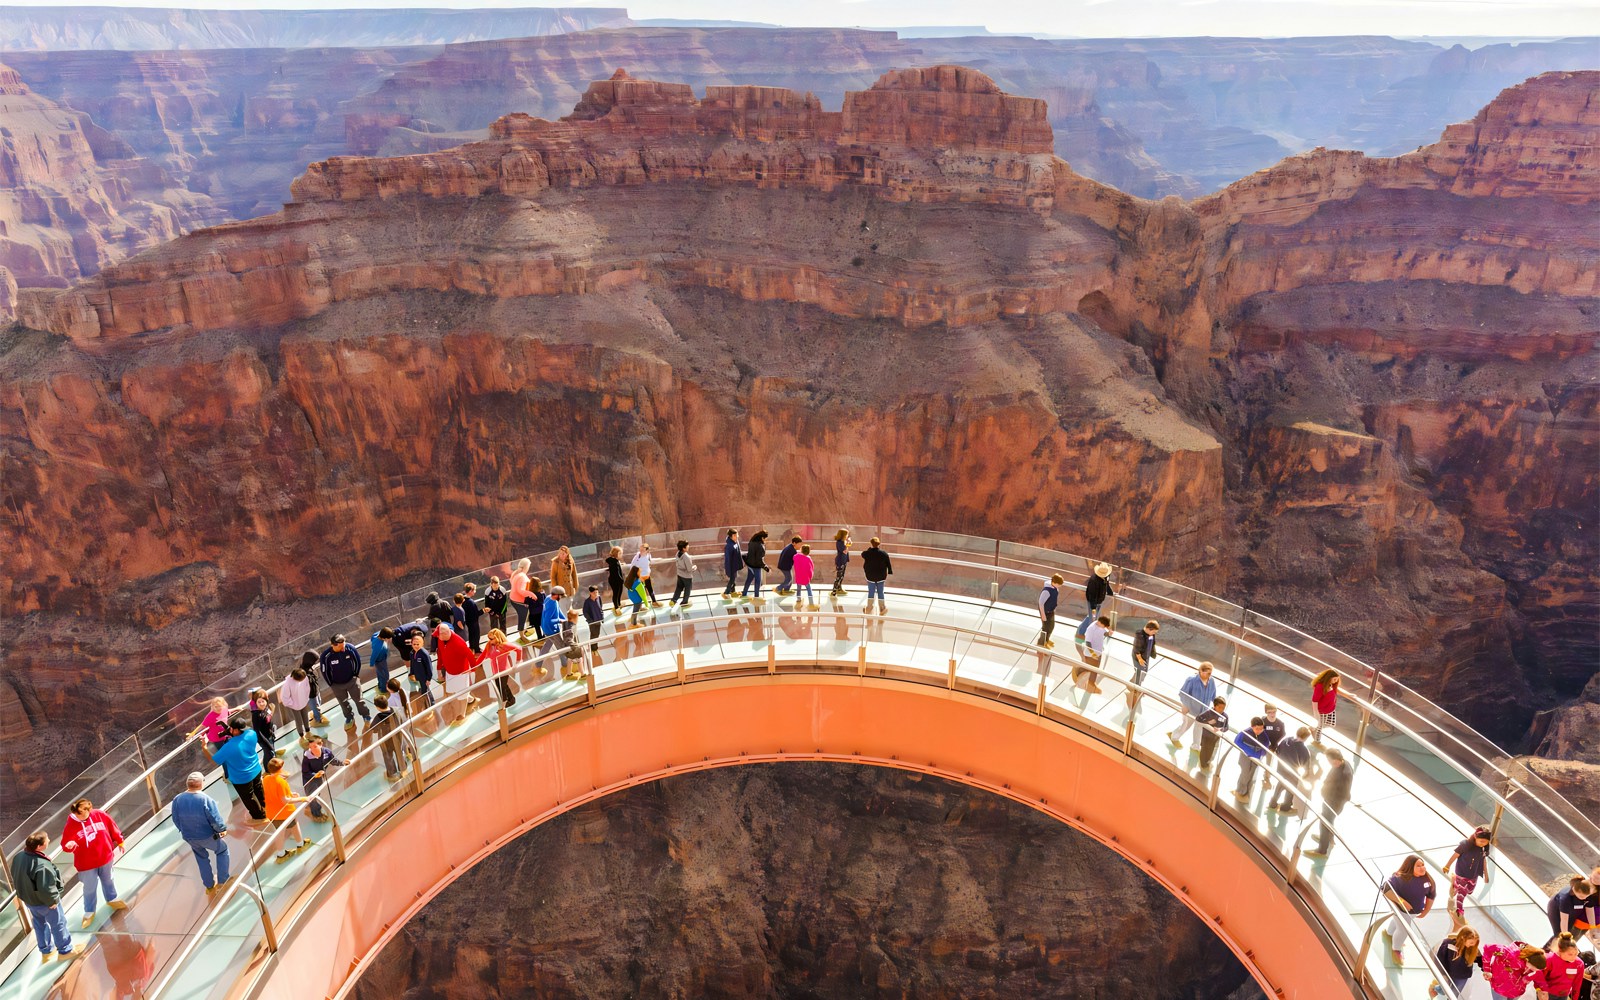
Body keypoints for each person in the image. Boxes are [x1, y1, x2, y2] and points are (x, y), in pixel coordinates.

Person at [12, 832, 80, 961]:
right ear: (39, 846)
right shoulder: (41, 865)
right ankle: (65, 951)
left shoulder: (19, 856)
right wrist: (52, 901)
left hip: (30, 901)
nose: (49, 840)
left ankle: (46, 951)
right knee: (58, 924)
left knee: (39, 924)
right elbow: (46, 887)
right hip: (46, 903)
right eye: (46, 839)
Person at [61, 798, 126, 927]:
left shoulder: (100, 815)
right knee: (89, 887)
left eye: (81, 813)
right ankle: (89, 911)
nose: (79, 816)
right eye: (77, 814)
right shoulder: (71, 824)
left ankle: (112, 899)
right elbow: (65, 844)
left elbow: (112, 827)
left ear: (88, 810)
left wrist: (120, 840)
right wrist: (69, 845)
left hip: (105, 858)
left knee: (108, 879)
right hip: (86, 865)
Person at [170, 773, 231, 895]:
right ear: (202, 783)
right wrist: (222, 830)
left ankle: (209, 886)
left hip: (189, 837)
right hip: (207, 836)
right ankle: (223, 881)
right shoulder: (205, 799)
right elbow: (215, 819)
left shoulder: (177, 799)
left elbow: (175, 819)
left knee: (201, 858)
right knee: (222, 850)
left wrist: (184, 830)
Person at [1382, 854, 1437, 965]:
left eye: (1423, 865)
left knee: (1398, 923)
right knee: (1403, 931)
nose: (1422, 868)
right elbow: (1385, 888)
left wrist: (1426, 910)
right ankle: (1396, 949)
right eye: (1418, 866)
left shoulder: (1428, 880)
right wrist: (1401, 901)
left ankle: (1388, 933)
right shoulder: (1399, 878)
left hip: (1413, 912)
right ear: (1410, 866)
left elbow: (1431, 895)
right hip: (1401, 910)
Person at [212, 714, 267, 821]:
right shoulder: (251, 733)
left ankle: (259, 817)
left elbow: (215, 759)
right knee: (258, 788)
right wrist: (232, 734)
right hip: (256, 769)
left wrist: (204, 747)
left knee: (249, 798)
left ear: (235, 730)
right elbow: (241, 741)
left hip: (242, 778)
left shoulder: (229, 746)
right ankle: (264, 807)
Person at [1441, 827, 1493, 927]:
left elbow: (1483, 862)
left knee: (1469, 891)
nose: (1483, 843)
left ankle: (1454, 884)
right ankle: (1460, 911)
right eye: (1481, 841)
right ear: (1475, 837)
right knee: (1462, 893)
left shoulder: (1482, 849)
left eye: (1485, 842)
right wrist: (1447, 865)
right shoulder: (1465, 845)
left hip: (1473, 875)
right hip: (1462, 872)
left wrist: (1486, 875)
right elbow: (1455, 855)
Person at [262, 758, 312, 862]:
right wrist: (303, 799)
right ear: (280, 769)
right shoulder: (281, 781)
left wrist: (290, 794)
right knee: (294, 826)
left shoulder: (266, 779)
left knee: (280, 832)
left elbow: (273, 794)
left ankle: (281, 854)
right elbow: (285, 800)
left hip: (272, 813)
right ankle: (300, 845)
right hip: (285, 812)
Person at [1305, 747, 1350, 858]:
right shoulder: (1344, 764)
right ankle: (1329, 839)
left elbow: (1340, 792)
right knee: (1329, 822)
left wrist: (1326, 795)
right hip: (1333, 801)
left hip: (1333, 803)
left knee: (1324, 823)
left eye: (1329, 761)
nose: (1328, 763)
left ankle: (1321, 850)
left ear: (1335, 760)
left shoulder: (1343, 774)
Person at [319, 634, 369, 728]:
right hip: (337, 685)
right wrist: (331, 683)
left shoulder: (350, 648)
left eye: (344, 645)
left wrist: (355, 675)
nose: (343, 648)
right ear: (333, 645)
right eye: (341, 647)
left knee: (359, 700)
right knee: (343, 702)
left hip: (352, 681)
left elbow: (357, 661)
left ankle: (366, 715)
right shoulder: (326, 656)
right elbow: (324, 671)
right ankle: (349, 717)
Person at [1168, 662, 1218, 749]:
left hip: (1203, 711)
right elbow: (1183, 694)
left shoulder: (1212, 681)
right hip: (1191, 709)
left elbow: (1213, 695)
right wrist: (1186, 705)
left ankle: (1195, 746)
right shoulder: (1191, 680)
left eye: (1210, 673)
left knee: (1198, 727)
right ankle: (1174, 736)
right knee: (1186, 725)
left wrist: (1215, 709)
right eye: (1207, 673)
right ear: (1201, 671)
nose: (1209, 675)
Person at [434, 622, 475, 724]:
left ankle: (462, 713)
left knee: (462, 694)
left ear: (444, 634)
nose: (438, 637)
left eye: (438, 635)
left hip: (462, 672)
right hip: (450, 671)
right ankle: (471, 699)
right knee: (453, 691)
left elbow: (470, 655)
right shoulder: (441, 640)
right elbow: (440, 654)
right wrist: (439, 669)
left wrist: (473, 669)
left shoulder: (459, 642)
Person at [1268, 726, 1314, 813]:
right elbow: (1306, 768)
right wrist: (1303, 777)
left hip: (1281, 769)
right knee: (1290, 790)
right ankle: (1285, 807)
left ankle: (1272, 804)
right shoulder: (1304, 750)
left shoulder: (1287, 740)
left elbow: (1278, 751)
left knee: (1280, 785)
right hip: (1293, 774)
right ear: (1306, 738)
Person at [363, 694, 406, 782]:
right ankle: (403, 769)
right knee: (400, 752)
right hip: (398, 737)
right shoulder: (395, 709)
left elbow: (374, 729)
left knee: (387, 756)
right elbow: (401, 719)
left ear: (377, 707)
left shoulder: (378, 717)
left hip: (385, 740)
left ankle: (392, 773)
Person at [300, 734, 343, 822]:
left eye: (315, 746)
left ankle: (310, 807)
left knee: (317, 794)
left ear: (321, 744)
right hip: (310, 780)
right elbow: (305, 772)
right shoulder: (307, 757)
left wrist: (343, 763)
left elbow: (333, 761)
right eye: (310, 747)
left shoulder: (327, 752)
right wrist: (314, 775)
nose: (312, 749)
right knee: (313, 797)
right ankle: (316, 814)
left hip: (319, 778)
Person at [1482, 942, 1547, 999]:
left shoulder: (1533, 964)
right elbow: (1488, 948)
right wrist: (1487, 970)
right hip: (1499, 989)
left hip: (1515, 993)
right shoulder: (1510, 954)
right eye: (1534, 968)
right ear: (1527, 960)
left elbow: (1537, 975)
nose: (1535, 970)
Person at [474, 629, 521, 707]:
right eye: (489, 638)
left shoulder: (503, 645)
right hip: (496, 671)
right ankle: (511, 699)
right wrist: (474, 666)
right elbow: (482, 656)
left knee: (500, 687)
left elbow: (519, 649)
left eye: (492, 638)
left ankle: (503, 704)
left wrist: (518, 662)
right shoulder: (489, 645)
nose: (490, 640)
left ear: (497, 637)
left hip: (504, 670)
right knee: (503, 685)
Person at [1433, 926, 1483, 997]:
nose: (1473, 944)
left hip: (1462, 976)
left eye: (1475, 943)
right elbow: (1440, 957)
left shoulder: (1473, 948)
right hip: (1448, 973)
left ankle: (1438, 988)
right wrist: (1442, 973)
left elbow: (1481, 960)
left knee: (1453, 995)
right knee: (1443, 990)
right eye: (1471, 942)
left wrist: (1487, 970)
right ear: (1463, 938)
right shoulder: (1448, 943)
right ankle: (1435, 988)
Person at [1549, 878, 1599, 944]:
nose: (1584, 898)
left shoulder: (1587, 895)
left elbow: (1589, 909)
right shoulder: (1566, 899)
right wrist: (1565, 937)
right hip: (1557, 910)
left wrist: (1593, 927)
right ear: (1575, 891)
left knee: (1569, 930)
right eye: (1581, 896)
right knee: (1558, 934)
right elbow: (1564, 921)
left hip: (1573, 912)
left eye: (1587, 896)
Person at [1232, 717, 1269, 802]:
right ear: (1252, 727)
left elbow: (1266, 746)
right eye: (1257, 729)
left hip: (1256, 758)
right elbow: (1237, 741)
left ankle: (1246, 791)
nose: (1259, 731)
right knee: (1245, 773)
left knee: (1251, 774)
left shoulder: (1264, 735)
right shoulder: (1245, 733)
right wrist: (1249, 751)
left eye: (1261, 728)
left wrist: (1261, 753)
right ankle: (1241, 791)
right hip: (1246, 756)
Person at [1075, 562, 1115, 642]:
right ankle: (1084, 635)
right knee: (1092, 619)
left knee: (1092, 618)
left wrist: (1110, 593)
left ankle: (1080, 631)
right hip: (1093, 602)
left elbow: (1107, 584)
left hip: (1099, 601)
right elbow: (1091, 595)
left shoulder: (1106, 576)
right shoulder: (1094, 581)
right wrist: (1093, 608)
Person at [1545, 934, 1587, 1000]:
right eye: (1570, 954)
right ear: (1560, 951)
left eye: (1576, 954)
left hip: (1564, 995)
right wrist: (1541, 990)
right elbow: (1540, 977)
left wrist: (1575, 998)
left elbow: (1577, 984)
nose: (1574, 957)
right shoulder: (1550, 959)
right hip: (1547, 993)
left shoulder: (1579, 964)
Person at [1076, 615, 1110, 693]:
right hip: (1091, 655)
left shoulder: (1101, 626)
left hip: (1098, 652)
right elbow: (1088, 642)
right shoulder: (1091, 629)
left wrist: (1109, 633)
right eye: (1103, 626)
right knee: (1089, 671)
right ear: (1099, 623)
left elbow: (1104, 633)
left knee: (1094, 670)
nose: (1104, 627)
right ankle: (1088, 685)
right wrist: (1093, 654)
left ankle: (1091, 685)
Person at [280, 668, 313, 744]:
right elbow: (285, 697)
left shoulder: (304, 678)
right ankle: (301, 736)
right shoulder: (288, 683)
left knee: (305, 716)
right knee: (298, 720)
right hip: (295, 705)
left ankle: (308, 731)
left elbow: (307, 688)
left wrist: (305, 698)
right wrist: (292, 704)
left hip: (303, 701)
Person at [1195, 697, 1228, 771]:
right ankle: (1203, 765)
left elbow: (1226, 727)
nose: (1221, 710)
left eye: (1223, 708)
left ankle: (1206, 762)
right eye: (1220, 707)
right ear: (1215, 706)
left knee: (1210, 751)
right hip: (1206, 736)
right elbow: (1198, 718)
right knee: (1204, 750)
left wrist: (1220, 729)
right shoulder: (1208, 712)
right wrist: (1208, 722)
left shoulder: (1225, 716)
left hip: (1215, 738)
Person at [861, 536, 893, 614]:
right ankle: (882, 608)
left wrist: (869, 549)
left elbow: (863, 554)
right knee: (880, 591)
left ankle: (869, 607)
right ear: (879, 544)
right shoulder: (884, 553)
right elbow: (888, 564)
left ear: (871, 543)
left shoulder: (867, 553)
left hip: (870, 575)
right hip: (881, 576)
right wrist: (890, 571)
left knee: (871, 591)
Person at [297, 650, 329, 727]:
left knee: (318, 704)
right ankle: (318, 721)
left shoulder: (310, 668)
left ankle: (318, 717)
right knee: (316, 708)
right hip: (311, 695)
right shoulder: (303, 672)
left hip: (315, 691)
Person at [248, 688, 277, 769]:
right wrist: (267, 743)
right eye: (259, 702)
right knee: (269, 753)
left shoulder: (266, 709)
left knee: (270, 753)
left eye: (263, 701)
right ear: (256, 703)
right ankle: (268, 770)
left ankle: (272, 768)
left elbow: (268, 721)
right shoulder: (256, 715)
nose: (261, 704)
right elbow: (258, 731)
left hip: (269, 735)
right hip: (263, 739)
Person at [1311, 668, 1340, 744]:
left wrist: (1349, 695)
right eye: (1334, 679)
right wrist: (1316, 714)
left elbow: (1337, 690)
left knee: (1331, 724)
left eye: (1336, 679)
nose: (1336, 681)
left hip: (1330, 710)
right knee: (1319, 728)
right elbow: (1314, 700)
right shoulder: (1320, 686)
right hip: (1322, 711)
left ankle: (1314, 729)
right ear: (1329, 678)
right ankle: (1316, 741)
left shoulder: (1331, 684)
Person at [407, 631, 435, 707]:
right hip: (417, 676)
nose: (416, 646)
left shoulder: (424, 654)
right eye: (414, 644)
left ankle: (431, 704)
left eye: (418, 644)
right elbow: (412, 664)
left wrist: (428, 679)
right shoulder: (412, 653)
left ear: (422, 644)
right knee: (421, 690)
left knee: (426, 691)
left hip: (424, 677)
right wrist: (411, 673)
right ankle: (425, 702)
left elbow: (429, 667)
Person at [540, 586, 569, 659]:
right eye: (560, 596)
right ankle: (565, 667)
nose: (561, 598)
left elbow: (558, 610)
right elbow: (548, 620)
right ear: (556, 595)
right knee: (562, 648)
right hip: (551, 630)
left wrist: (564, 619)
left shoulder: (549, 597)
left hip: (545, 628)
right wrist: (559, 620)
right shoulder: (552, 604)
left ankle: (537, 665)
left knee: (547, 646)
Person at [631, 542, 662, 607]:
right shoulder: (637, 556)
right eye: (640, 549)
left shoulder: (648, 555)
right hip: (640, 577)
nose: (641, 551)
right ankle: (641, 606)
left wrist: (659, 559)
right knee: (642, 591)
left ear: (647, 550)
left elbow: (649, 562)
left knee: (650, 588)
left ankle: (654, 602)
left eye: (643, 550)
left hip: (646, 575)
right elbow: (632, 565)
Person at [742, 530, 770, 600]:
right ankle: (756, 597)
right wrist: (766, 567)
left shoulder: (751, 542)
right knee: (758, 581)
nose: (765, 540)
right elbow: (759, 559)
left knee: (749, 579)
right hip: (756, 566)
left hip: (749, 564)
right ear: (762, 538)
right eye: (765, 538)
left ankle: (744, 594)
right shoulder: (760, 546)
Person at [1037, 573, 1063, 648]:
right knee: (1045, 628)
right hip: (1045, 612)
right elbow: (1041, 604)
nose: (1060, 586)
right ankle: (1041, 642)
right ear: (1054, 583)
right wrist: (1043, 616)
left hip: (1051, 611)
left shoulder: (1055, 588)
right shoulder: (1047, 591)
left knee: (1051, 626)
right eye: (1059, 584)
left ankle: (1047, 640)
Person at [509, 558, 534, 635]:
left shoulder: (515, 573)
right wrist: (532, 595)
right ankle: (522, 635)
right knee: (523, 616)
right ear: (526, 566)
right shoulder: (522, 577)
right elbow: (521, 590)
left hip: (513, 599)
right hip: (519, 601)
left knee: (524, 616)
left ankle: (524, 630)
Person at [671, 539, 696, 607]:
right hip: (687, 577)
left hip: (680, 574)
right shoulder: (687, 557)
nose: (688, 546)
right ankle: (684, 602)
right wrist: (694, 567)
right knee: (687, 589)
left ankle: (673, 600)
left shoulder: (677, 554)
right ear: (684, 548)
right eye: (687, 545)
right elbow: (689, 569)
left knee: (679, 588)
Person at [582, 585, 605, 653]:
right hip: (592, 622)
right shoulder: (587, 602)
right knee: (593, 635)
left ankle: (594, 648)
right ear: (590, 593)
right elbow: (585, 612)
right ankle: (593, 649)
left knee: (597, 634)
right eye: (594, 592)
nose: (596, 594)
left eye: (597, 592)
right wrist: (590, 620)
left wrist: (602, 617)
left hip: (598, 620)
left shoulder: (599, 598)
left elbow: (600, 607)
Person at [370, 627, 393, 693]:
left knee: (380, 674)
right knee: (385, 676)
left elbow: (373, 638)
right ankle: (384, 690)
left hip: (380, 660)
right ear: (385, 638)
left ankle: (380, 685)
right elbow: (374, 655)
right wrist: (371, 663)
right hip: (380, 661)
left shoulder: (376, 635)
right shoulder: (379, 646)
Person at [795, 543, 818, 610]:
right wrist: (810, 576)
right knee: (808, 589)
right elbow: (811, 568)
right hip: (806, 577)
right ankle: (811, 602)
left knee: (798, 589)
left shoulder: (796, 557)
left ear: (801, 550)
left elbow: (794, 557)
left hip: (798, 576)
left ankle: (798, 599)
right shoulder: (808, 559)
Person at [722, 529, 743, 599]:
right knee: (732, 580)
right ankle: (726, 592)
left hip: (735, 565)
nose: (738, 536)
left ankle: (732, 591)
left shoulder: (735, 543)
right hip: (732, 566)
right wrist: (728, 570)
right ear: (733, 536)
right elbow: (728, 559)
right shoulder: (729, 546)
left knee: (733, 579)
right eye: (737, 535)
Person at [462, 584, 483, 653]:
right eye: (474, 590)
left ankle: (472, 647)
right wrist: (483, 611)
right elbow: (476, 614)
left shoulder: (463, 600)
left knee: (471, 635)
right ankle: (477, 649)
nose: (475, 592)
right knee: (476, 635)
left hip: (468, 621)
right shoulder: (470, 602)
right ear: (470, 591)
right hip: (473, 622)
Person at [606, 546, 627, 616]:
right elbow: (617, 572)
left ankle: (619, 603)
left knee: (619, 592)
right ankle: (616, 607)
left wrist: (620, 564)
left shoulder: (614, 561)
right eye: (620, 553)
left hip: (615, 580)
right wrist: (621, 580)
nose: (621, 555)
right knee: (616, 593)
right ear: (617, 553)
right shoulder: (614, 562)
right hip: (616, 580)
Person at [832, 529, 851, 597]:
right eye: (846, 535)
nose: (847, 536)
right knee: (839, 576)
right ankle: (834, 591)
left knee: (842, 576)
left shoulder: (843, 542)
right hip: (840, 561)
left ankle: (839, 588)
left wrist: (847, 543)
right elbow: (844, 551)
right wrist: (848, 544)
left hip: (844, 560)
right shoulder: (840, 543)